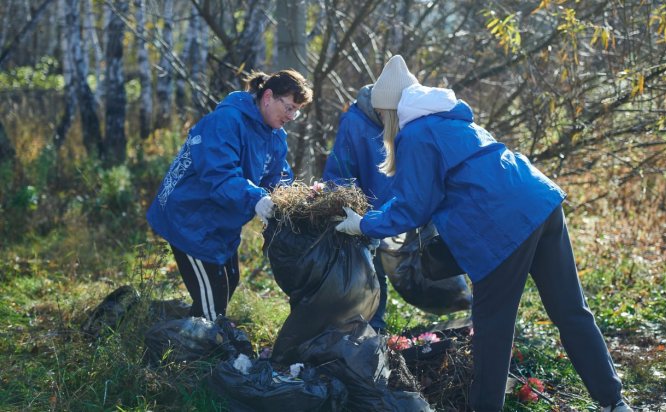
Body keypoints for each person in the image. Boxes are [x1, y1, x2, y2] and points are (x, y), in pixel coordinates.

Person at [335, 55, 632, 412]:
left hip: (503, 224)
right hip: (540, 200)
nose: (383, 122)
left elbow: (414, 206)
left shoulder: (415, 133)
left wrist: (363, 224)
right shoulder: (451, 118)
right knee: (571, 310)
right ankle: (614, 402)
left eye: (383, 115)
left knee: (493, 327)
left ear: (391, 110)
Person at [147, 69, 313, 321]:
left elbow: (277, 178)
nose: (292, 116)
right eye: (289, 107)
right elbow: (219, 175)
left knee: (229, 282)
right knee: (212, 303)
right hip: (189, 218)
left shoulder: (275, 136)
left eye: (296, 111)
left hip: (221, 222)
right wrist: (256, 198)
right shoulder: (226, 121)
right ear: (268, 97)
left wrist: (299, 199)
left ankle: (174, 327)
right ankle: (195, 355)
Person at [322, 84, 391, 332]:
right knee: (370, 271)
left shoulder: (404, 120)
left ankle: (375, 327)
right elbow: (340, 169)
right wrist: (350, 207)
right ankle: (366, 327)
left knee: (382, 269)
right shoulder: (354, 122)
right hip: (362, 212)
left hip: (391, 210)